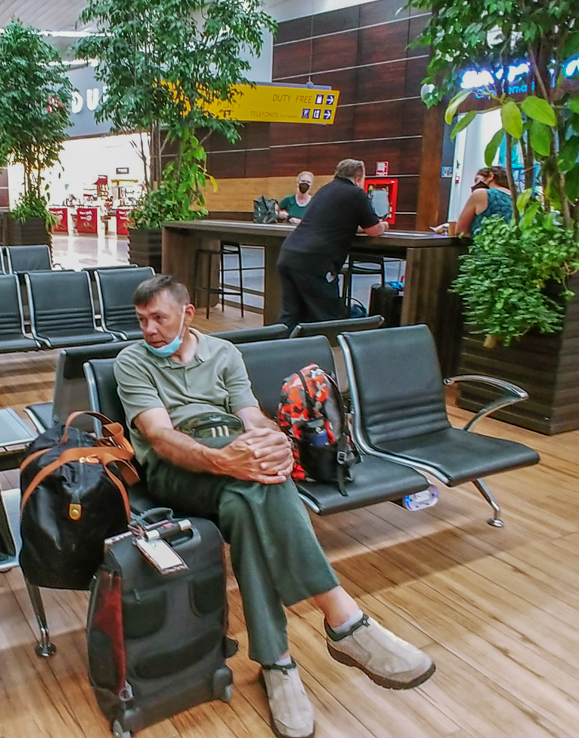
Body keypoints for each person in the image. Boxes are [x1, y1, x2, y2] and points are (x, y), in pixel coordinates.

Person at [113, 274, 435, 738]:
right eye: (141, 319)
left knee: (249, 502)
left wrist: (275, 443)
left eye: (158, 318)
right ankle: (344, 621)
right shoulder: (132, 361)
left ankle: (277, 663)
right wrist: (225, 460)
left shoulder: (223, 353)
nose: (149, 329)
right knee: (260, 483)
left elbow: (251, 417)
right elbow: (161, 437)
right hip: (178, 468)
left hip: (235, 457)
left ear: (188, 314)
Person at [276, 159, 387, 331]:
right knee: (326, 319)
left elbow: (332, 221)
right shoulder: (356, 193)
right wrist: (384, 225)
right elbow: (373, 230)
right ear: (358, 178)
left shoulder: (324, 190)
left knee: (291, 316)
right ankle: (325, 348)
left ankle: (281, 346)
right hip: (314, 262)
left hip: (289, 255)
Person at [447, 166, 513, 237]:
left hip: (482, 243)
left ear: (491, 176)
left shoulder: (481, 193)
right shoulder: (517, 198)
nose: (475, 185)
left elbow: (460, 232)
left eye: (477, 179)